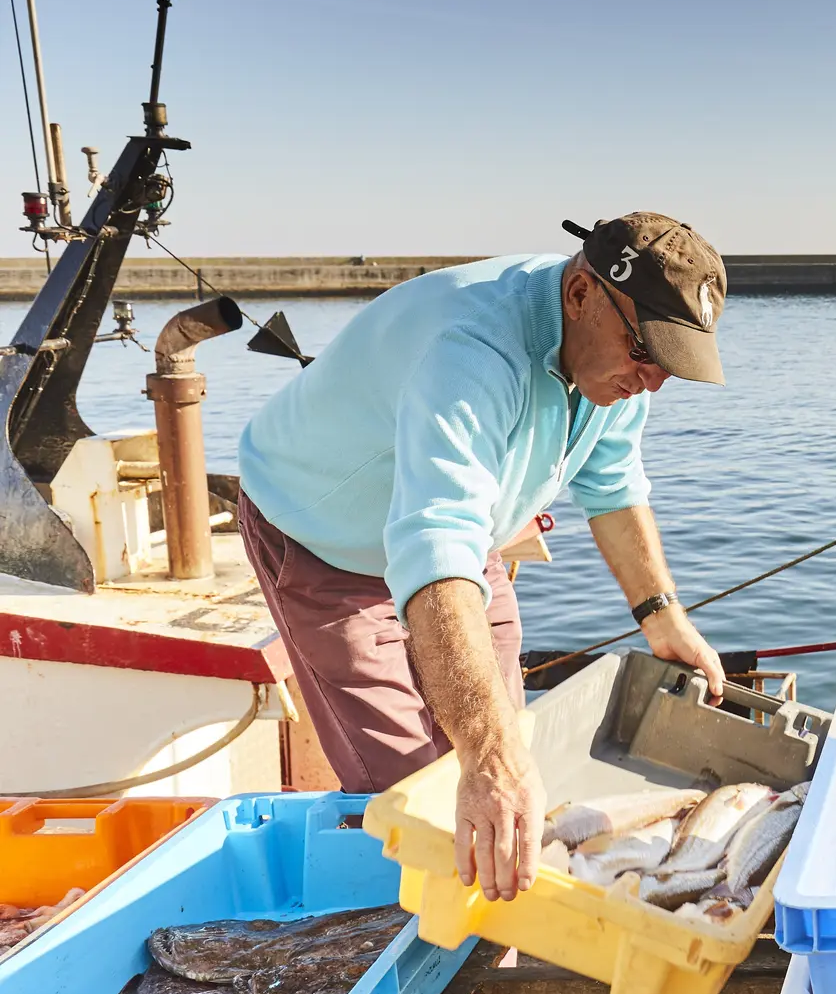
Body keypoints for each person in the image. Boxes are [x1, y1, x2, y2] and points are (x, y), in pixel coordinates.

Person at [238, 212, 729, 907]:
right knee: (412, 791)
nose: (651, 383)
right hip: (327, 542)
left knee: (508, 764)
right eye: (646, 352)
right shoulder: (470, 350)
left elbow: (613, 483)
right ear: (581, 294)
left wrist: (662, 616)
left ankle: (504, 972)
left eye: (672, 366)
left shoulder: (614, 363)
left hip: (470, 537)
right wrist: (486, 758)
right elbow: (432, 542)